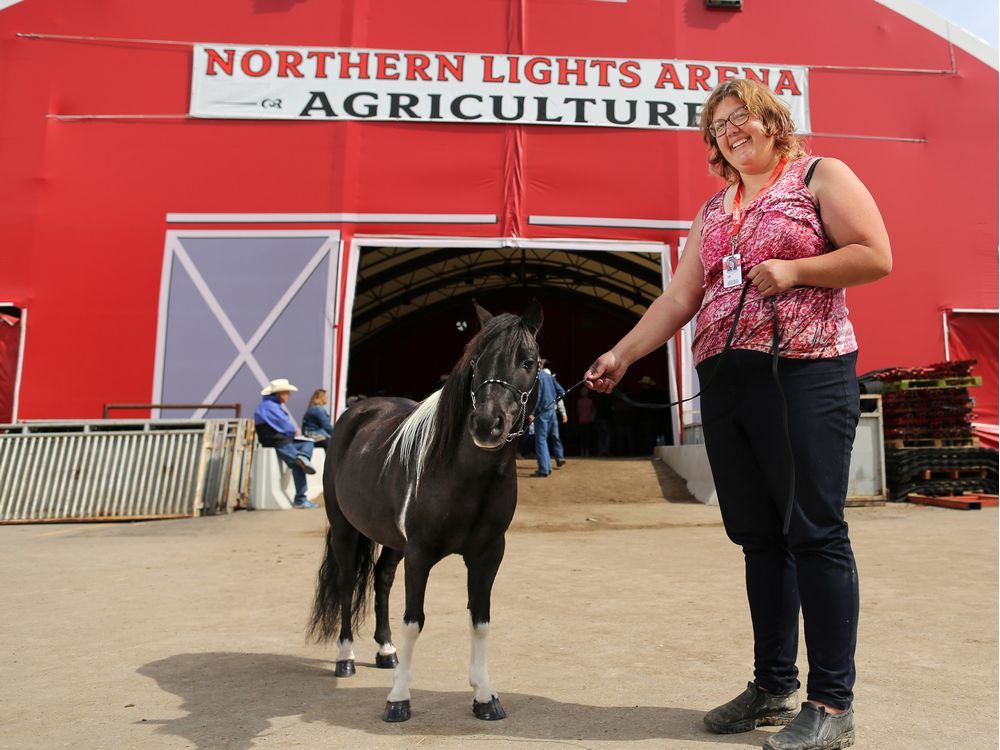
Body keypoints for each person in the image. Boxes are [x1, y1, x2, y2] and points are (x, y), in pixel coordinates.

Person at [585, 78, 891, 750]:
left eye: (741, 116)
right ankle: (772, 686)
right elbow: (679, 298)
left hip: (805, 372)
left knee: (815, 532)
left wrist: (795, 271)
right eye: (719, 124)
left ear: (773, 123)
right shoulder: (712, 211)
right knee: (759, 538)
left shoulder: (818, 176)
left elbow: (875, 256)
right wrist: (621, 353)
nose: (731, 130)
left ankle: (832, 704)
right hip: (726, 381)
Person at [254, 378, 319, 509]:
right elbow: (284, 424)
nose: (289, 395)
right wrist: (294, 430)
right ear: (280, 394)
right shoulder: (269, 407)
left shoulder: (270, 405)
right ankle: (300, 499)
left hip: (282, 439)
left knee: (308, 444)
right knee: (298, 465)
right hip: (278, 441)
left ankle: (303, 458)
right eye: (287, 393)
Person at [528, 359, 566, 477]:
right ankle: (547, 467)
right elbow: (562, 392)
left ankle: (544, 469)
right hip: (551, 411)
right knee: (548, 438)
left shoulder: (537, 378)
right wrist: (553, 401)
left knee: (541, 440)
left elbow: (538, 396)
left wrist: (532, 412)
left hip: (541, 412)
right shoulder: (549, 376)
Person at [575, 389, 596, 456]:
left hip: (582, 420)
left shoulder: (579, 402)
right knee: (587, 437)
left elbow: (578, 411)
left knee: (583, 437)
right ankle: (586, 452)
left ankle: (583, 452)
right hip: (587, 420)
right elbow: (593, 411)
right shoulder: (590, 401)